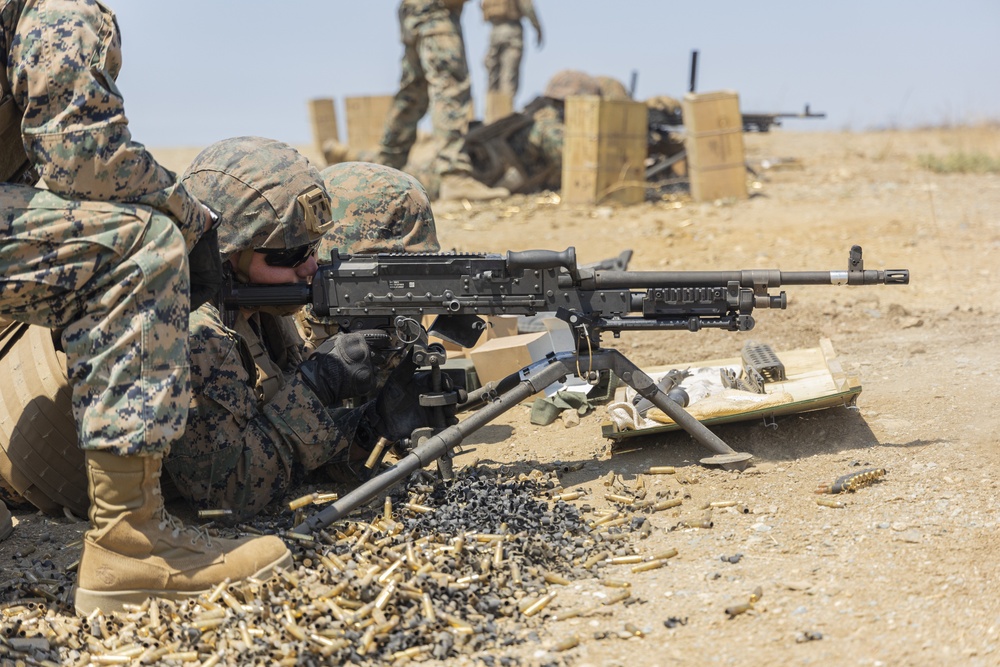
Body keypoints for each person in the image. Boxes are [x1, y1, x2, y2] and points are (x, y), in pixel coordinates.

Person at [0, 0, 290, 611]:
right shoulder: (58, 9)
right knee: (137, 245)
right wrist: (189, 219)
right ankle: (132, 547)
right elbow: (85, 158)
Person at [169, 138, 447, 519]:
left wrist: (373, 424)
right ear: (225, 252)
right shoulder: (194, 334)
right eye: (289, 255)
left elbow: (288, 452)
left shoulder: (263, 311)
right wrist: (316, 387)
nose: (309, 267)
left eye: (313, 248)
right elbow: (227, 495)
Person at [378, 0, 509, 202]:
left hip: (417, 11)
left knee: (413, 94)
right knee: (450, 87)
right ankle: (454, 174)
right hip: (437, 14)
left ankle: (384, 171)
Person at [481, 0, 543, 98]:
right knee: (508, 76)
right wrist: (538, 28)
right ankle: (504, 110)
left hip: (494, 32)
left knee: (493, 75)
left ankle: (493, 107)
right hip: (512, 31)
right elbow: (527, 7)